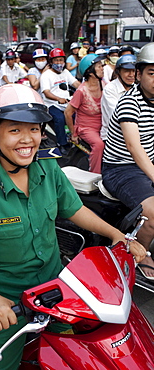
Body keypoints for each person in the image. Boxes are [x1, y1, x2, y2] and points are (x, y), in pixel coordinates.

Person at [0, 83, 146, 370]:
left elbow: (75, 209)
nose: (27, 139)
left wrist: (117, 235)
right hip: (7, 300)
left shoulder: (48, 167)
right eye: (14, 130)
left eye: (33, 129)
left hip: (55, 289)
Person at [102, 42, 154, 279]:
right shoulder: (129, 103)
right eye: (152, 73)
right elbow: (134, 147)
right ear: (139, 73)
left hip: (147, 165)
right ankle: (140, 253)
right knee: (153, 212)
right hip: (121, 169)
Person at [64, 53, 105, 174]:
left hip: (103, 126)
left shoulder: (104, 86)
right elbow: (68, 113)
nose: (102, 68)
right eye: (99, 66)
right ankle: (95, 175)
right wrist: (73, 134)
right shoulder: (81, 91)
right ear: (90, 72)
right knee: (99, 145)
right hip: (86, 128)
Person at [40, 48, 80, 155]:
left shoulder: (65, 72)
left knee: (78, 116)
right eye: (56, 60)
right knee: (60, 119)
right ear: (51, 62)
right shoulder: (46, 75)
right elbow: (46, 92)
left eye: (61, 60)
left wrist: (85, 89)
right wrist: (58, 99)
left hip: (67, 102)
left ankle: (76, 137)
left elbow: (75, 83)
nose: (59, 63)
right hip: (52, 104)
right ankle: (62, 144)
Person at [100, 54, 136, 141]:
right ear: (118, 72)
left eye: (134, 71)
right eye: (127, 71)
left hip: (135, 134)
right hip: (114, 136)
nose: (131, 75)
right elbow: (118, 117)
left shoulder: (137, 88)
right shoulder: (110, 89)